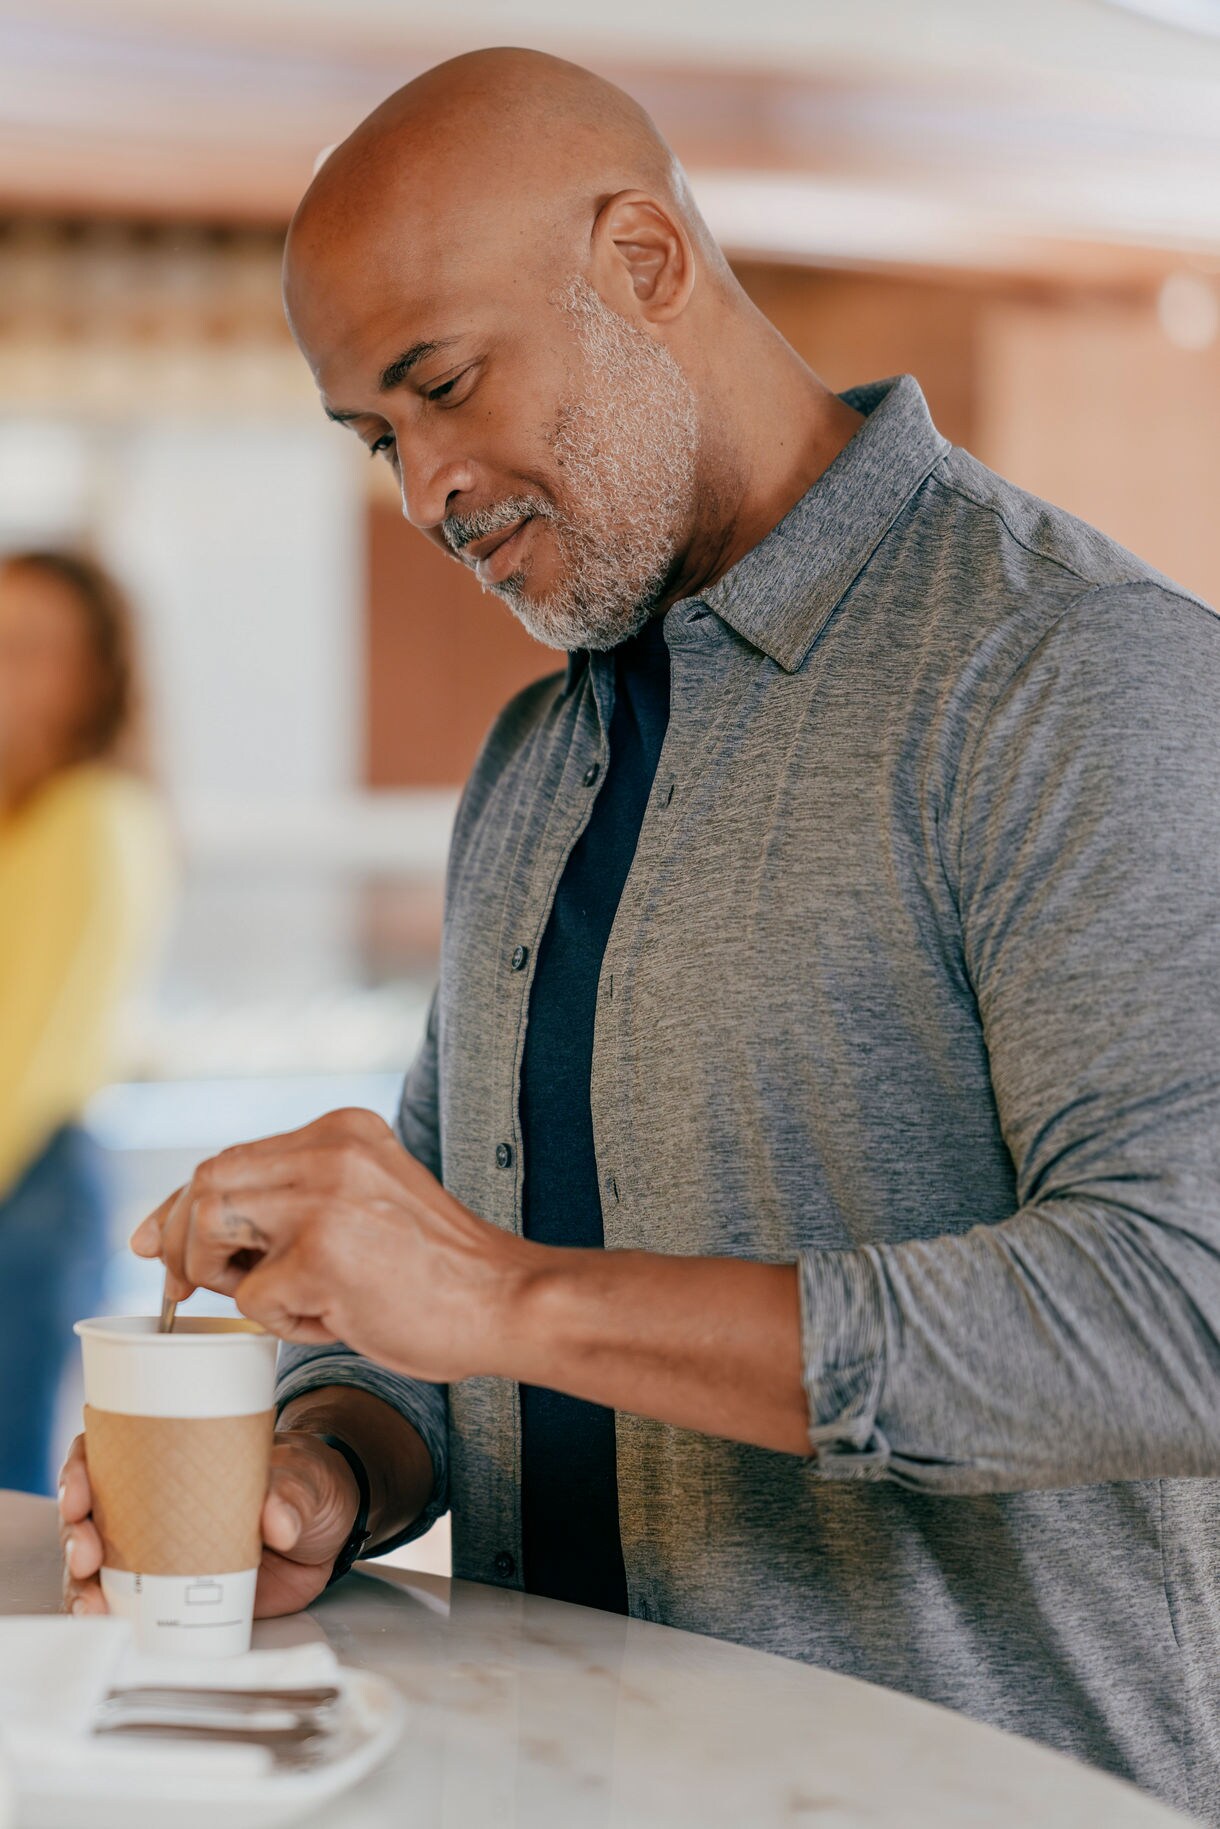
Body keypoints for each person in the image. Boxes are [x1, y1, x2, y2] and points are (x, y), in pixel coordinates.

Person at [61, 48, 1220, 1819]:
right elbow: (451, 1342)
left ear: (646, 264)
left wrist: (503, 1294)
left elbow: (1179, 1314)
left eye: (442, 384)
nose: (427, 488)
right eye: (378, 434)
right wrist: (325, 1463)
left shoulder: (1071, 676)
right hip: (554, 1774)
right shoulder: (538, 758)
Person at [0, 550, 172, 1494]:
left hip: (25, 1181)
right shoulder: (21, 818)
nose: (5, 669)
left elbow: (21, 1056)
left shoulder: (95, 817)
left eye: (33, 647)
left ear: (98, 675)